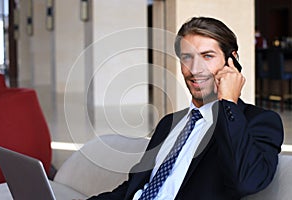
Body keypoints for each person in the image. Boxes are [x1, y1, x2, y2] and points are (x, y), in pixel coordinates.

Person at [87, 17, 283, 200]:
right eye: (187, 57)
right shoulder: (169, 124)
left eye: (207, 56)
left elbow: (246, 181)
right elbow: (134, 188)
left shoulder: (258, 121)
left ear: (232, 61)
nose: (195, 69)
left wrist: (229, 103)